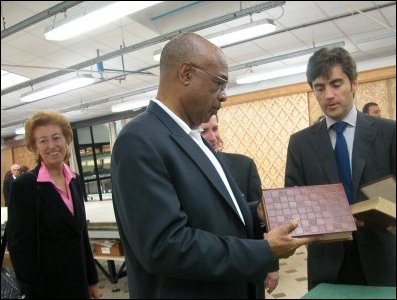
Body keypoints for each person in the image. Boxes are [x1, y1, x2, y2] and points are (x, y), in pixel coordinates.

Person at [111, 32, 315, 299]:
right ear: (186, 74)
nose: (224, 96)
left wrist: (257, 213)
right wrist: (264, 250)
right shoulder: (139, 140)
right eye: (219, 83)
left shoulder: (194, 137)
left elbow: (209, 214)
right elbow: (165, 246)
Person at [285, 47, 396, 290]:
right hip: (327, 262)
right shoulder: (300, 143)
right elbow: (294, 201)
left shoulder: (388, 132)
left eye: (336, 84)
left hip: (382, 258)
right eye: (320, 87)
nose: (329, 95)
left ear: (354, 83)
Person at [7, 109, 101, 299]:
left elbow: (81, 234)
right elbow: (20, 248)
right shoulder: (26, 185)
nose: (52, 145)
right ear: (35, 147)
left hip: (79, 284)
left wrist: (92, 280)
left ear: (66, 139)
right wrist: (34, 290)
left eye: (56, 137)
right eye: (43, 141)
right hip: (47, 289)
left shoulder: (75, 180)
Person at [200, 114, 280, 295]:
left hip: (250, 271)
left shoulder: (244, 165)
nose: (212, 137)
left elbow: (261, 221)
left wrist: (271, 263)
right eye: (204, 131)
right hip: (212, 271)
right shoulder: (185, 173)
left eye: (215, 128)